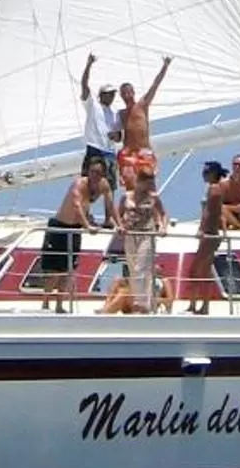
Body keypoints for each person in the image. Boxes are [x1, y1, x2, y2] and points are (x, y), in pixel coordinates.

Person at [36, 164, 109, 310]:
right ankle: (45, 302)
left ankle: (59, 304)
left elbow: (106, 204)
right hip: (60, 227)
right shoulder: (79, 184)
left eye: (99, 173)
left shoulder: (101, 186)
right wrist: (87, 226)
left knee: (68, 270)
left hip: (74, 229)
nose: (95, 175)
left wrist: (108, 222)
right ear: (88, 172)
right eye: (93, 171)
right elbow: (77, 205)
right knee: (54, 270)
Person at [101, 170, 166, 314]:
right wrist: (119, 226)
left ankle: (141, 304)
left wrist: (162, 226)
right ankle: (144, 303)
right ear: (139, 182)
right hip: (130, 235)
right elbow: (117, 213)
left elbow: (163, 213)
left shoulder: (153, 197)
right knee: (132, 267)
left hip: (146, 235)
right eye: (147, 182)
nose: (150, 186)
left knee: (142, 268)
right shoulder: (126, 197)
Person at [115, 56, 172, 186]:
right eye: (124, 93)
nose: (127, 95)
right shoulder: (121, 114)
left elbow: (155, 85)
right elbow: (116, 134)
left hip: (144, 151)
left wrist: (165, 66)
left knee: (147, 187)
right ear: (121, 96)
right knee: (130, 188)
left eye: (129, 92)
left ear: (133, 92)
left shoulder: (142, 104)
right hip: (129, 154)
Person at [185, 161, 231, 314]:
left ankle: (199, 305)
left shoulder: (214, 190)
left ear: (212, 173)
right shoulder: (214, 189)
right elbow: (220, 212)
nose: (203, 175)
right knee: (203, 271)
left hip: (209, 234)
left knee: (196, 270)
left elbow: (210, 213)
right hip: (211, 234)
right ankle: (200, 305)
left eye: (205, 172)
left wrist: (201, 229)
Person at [79, 53, 123, 174]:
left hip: (110, 152)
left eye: (113, 94)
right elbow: (84, 85)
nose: (112, 96)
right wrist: (88, 65)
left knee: (110, 185)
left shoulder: (115, 112)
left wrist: (116, 135)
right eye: (109, 93)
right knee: (90, 185)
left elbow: (119, 136)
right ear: (102, 94)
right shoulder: (93, 105)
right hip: (95, 149)